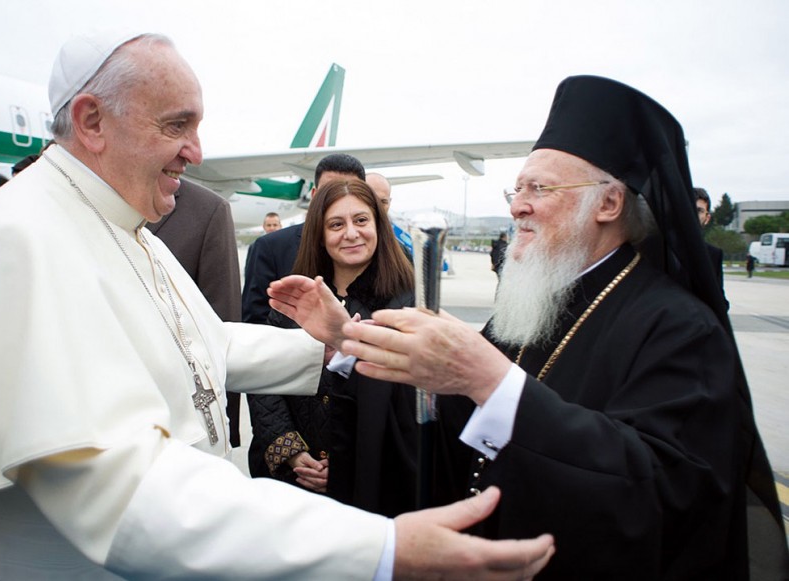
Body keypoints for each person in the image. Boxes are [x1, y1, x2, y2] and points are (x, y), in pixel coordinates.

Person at [0, 31, 555, 580]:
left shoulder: (111, 224)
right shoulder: (23, 238)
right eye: (176, 125)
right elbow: (128, 491)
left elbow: (201, 344)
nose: (197, 152)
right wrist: (379, 549)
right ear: (91, 120)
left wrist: (325, 342)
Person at [270, 75, 787, 579]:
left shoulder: (682, 329)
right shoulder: (535, 305)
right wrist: (347, 342)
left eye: (539, 188)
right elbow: (445, 419)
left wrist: (491, 380)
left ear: (609, 203)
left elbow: (663, 492)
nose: (518, 205)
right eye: (516, 188)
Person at [248, 179, 418, 517]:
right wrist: (293, 453)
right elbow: (265, 381)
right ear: (320, 235)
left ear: (378, 226)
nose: (351, 233)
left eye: (361, 221)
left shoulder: (408, 303)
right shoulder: (299, 295)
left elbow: (407, 405)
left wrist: (345, 464)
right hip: (294, 478)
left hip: (370, 483)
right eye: (336, 224)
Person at [147, 178, 244, 447]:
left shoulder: (207, 209)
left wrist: (227, 423)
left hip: (180, 430)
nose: (194, 153)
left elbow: (221, 321)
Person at [242, 153, 366, 324]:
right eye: (329, 192)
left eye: (350, 191)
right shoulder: (271, 248)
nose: (340, 199)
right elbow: (254, 325)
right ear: (314, 196)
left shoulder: (385, 251)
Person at [694, 187, 728, 309]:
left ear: (707, 218)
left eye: (699, 210)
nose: (693, 214)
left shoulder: (713, 254)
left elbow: (720, 300)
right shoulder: (658, 248)